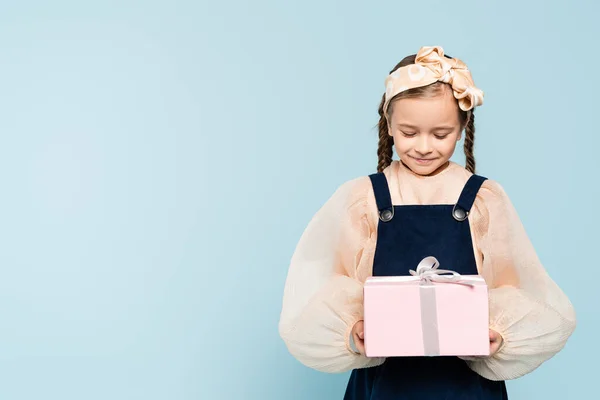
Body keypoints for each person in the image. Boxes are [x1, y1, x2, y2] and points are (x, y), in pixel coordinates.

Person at [277, 45, 576, 399]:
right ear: (388, 123)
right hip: (386, 383)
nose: (423, 146)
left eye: (440, 134)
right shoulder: (364, 198)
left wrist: (496, 331)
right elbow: (321, 279)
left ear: (463, 126)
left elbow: (518, 281)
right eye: (408, 132)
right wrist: (354, 327)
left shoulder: (482, 199)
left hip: (464, 384)